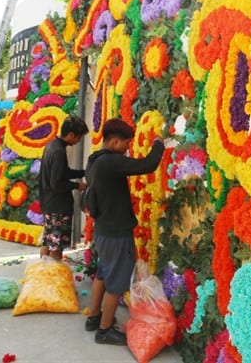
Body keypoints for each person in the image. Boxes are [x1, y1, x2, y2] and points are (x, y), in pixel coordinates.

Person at [84, 118, 164, 345]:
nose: (128, 148)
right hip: (116, 232)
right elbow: (147, 165)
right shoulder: (111, 162)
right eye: (126, 143)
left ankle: (93, 317)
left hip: (103, 230)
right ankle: (105, 330)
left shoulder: (94, 160)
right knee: (116, 282)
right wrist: (159, 143)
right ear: (115, 141)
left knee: (102, 274)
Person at [39, 115, 89, 261]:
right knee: (56, 247)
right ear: (71, 135)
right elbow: (57, 183)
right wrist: (77, 185)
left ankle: (41, 275)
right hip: (58, 208)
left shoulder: (52, 145)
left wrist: (83, 172)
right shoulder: (59, 152)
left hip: (49, 204)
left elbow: (63, 172)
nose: (79, 141)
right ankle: (54, 279)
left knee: (47, 242)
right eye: (79, 137)